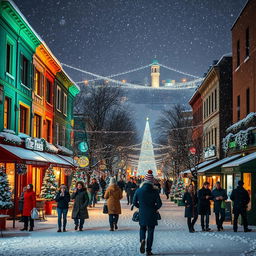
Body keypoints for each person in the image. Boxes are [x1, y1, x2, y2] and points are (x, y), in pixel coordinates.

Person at [133, 170, 162, 256]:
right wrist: (154, 208)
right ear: (152, 182)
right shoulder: (155, 191)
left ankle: (142, 239)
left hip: (142, 213)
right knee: (151, 231)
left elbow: (134, 202)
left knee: (142, 228)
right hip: (152, 214)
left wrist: (140, 207)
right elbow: (160, 204)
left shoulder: (139, 191)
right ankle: (148, 250)